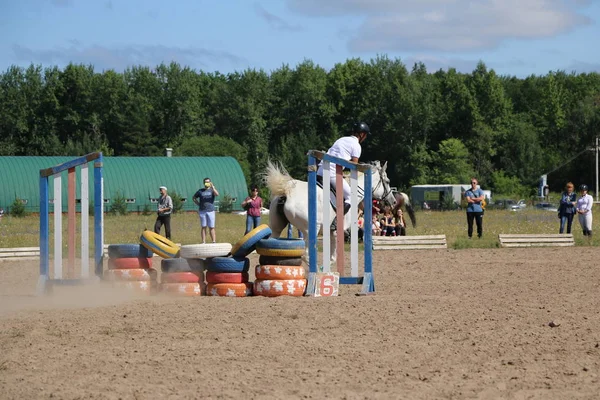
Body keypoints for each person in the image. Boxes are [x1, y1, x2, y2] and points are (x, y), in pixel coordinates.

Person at [317, 122, 371, 215]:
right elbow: (354, 166)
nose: (365, 138)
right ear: (361, 134)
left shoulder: (341, 139)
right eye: (365, 135)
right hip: (332, 173)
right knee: (352, 197)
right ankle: (337, 220)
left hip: (320, 170)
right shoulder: (356, 145)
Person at [193, 177, 219, 243]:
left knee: (211, 227)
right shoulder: (200, 191)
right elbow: (194, 198)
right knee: (203, 226)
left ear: (210, 182)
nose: (207, 183)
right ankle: (203, 241)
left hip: (211, 210)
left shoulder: (212, 190)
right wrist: (198, 204)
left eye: (208, 182)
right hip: (202, 211)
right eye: (205, 182)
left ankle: (213, 241)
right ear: (204, 183)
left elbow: (217, 194)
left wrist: (213, 187)